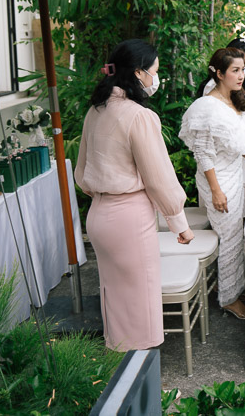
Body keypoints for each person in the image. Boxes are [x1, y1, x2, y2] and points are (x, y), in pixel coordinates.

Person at [75, 39, 194, 350]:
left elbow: (81, 171)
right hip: (129, 217)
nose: (157, 78)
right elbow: (159, 178)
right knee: (141, 303)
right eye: (155, 71)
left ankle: (119, 368)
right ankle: (142, 383)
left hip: (99, 215)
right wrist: (179, 223)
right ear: (139, 73)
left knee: (115, 299)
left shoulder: (95, 111)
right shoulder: (138, 116)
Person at [181, 48, 245, 319]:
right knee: (229, 238)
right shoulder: (206, 107)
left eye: (243, 70)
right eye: (235, 71)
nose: (242, 75)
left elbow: (240, 138)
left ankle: (234, 286)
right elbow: (204, 155)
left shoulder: (236, 98)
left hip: (238, 174)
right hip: (218, 178)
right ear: (219, 73)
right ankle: (227, 298)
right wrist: (216, 191)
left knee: (239, 232)